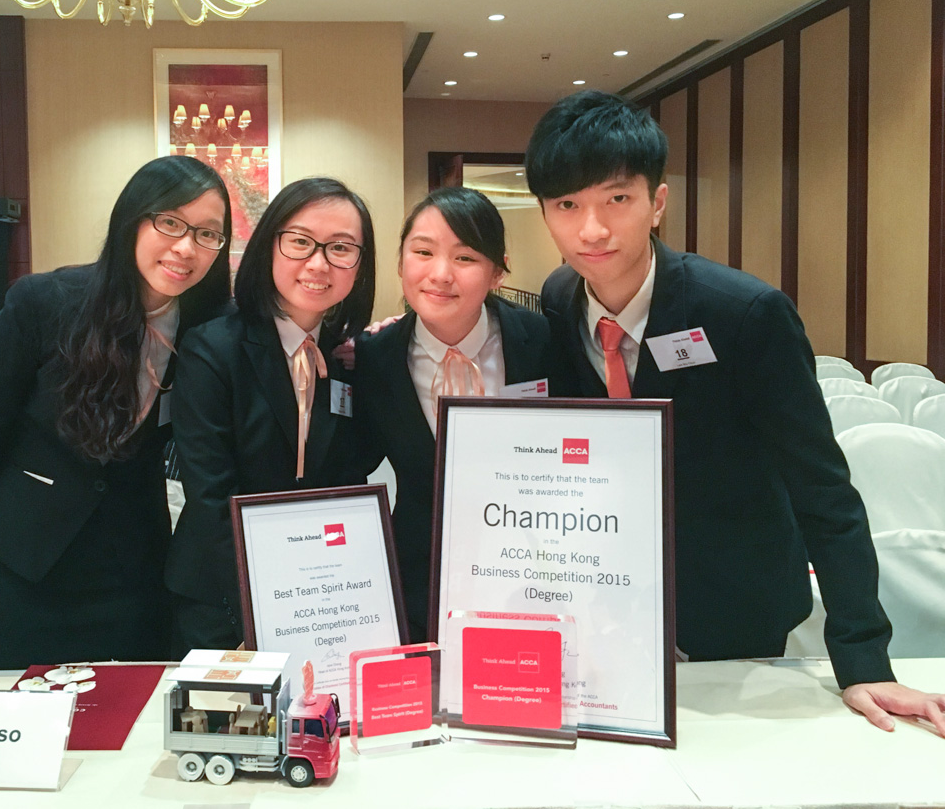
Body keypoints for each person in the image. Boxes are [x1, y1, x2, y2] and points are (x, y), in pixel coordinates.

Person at [528, 89, 945, 735]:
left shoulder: (743, 314)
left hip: (736, 602)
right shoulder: (559, 299)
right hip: (612, 598)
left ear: (657, 202)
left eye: (617, 199)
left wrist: (864, 660)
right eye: (567, 205)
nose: (592, 229)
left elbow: (823, 490)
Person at [0, 156, 232, 669]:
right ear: (132, 218)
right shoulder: (44, 303)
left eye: (208, 234)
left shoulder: (207, 327)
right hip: (23, 571)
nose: (187, 247)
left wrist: (357, 346)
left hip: (133, 579)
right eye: (171, 222)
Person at [166, 177, 376, 653]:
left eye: (341, 248)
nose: (318, 263)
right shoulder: (213, 348)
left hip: (322, 597)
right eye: (300, 242)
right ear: (269, 246)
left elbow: (351, 475)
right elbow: (211, 495)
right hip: (222, 598)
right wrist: (266, 607)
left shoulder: (349, 358)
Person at [352, 187, 552, 641]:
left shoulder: (541, 340)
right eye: (423, 252)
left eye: (465, 258)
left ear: (497, 272)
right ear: (400, 261)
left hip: (533, 573)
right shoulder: (373, 358)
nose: (440, 274)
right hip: (420, 579)